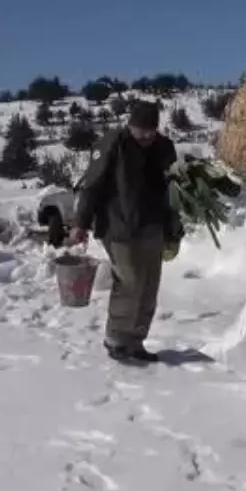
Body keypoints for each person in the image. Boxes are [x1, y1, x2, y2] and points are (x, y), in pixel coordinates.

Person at [70, 102, 180, 364]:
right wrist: (81, 223)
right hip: (118, 225)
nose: (146, 136)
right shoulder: (113, 144)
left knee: (149, 283)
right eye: (140, 130)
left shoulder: (164, 147)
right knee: (130, 281)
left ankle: (136, 340)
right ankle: (116, 338)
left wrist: (174, 223)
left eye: (150, 131)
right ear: (130, 125)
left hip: (152, 224)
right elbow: (92, 185)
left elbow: (174, 186)